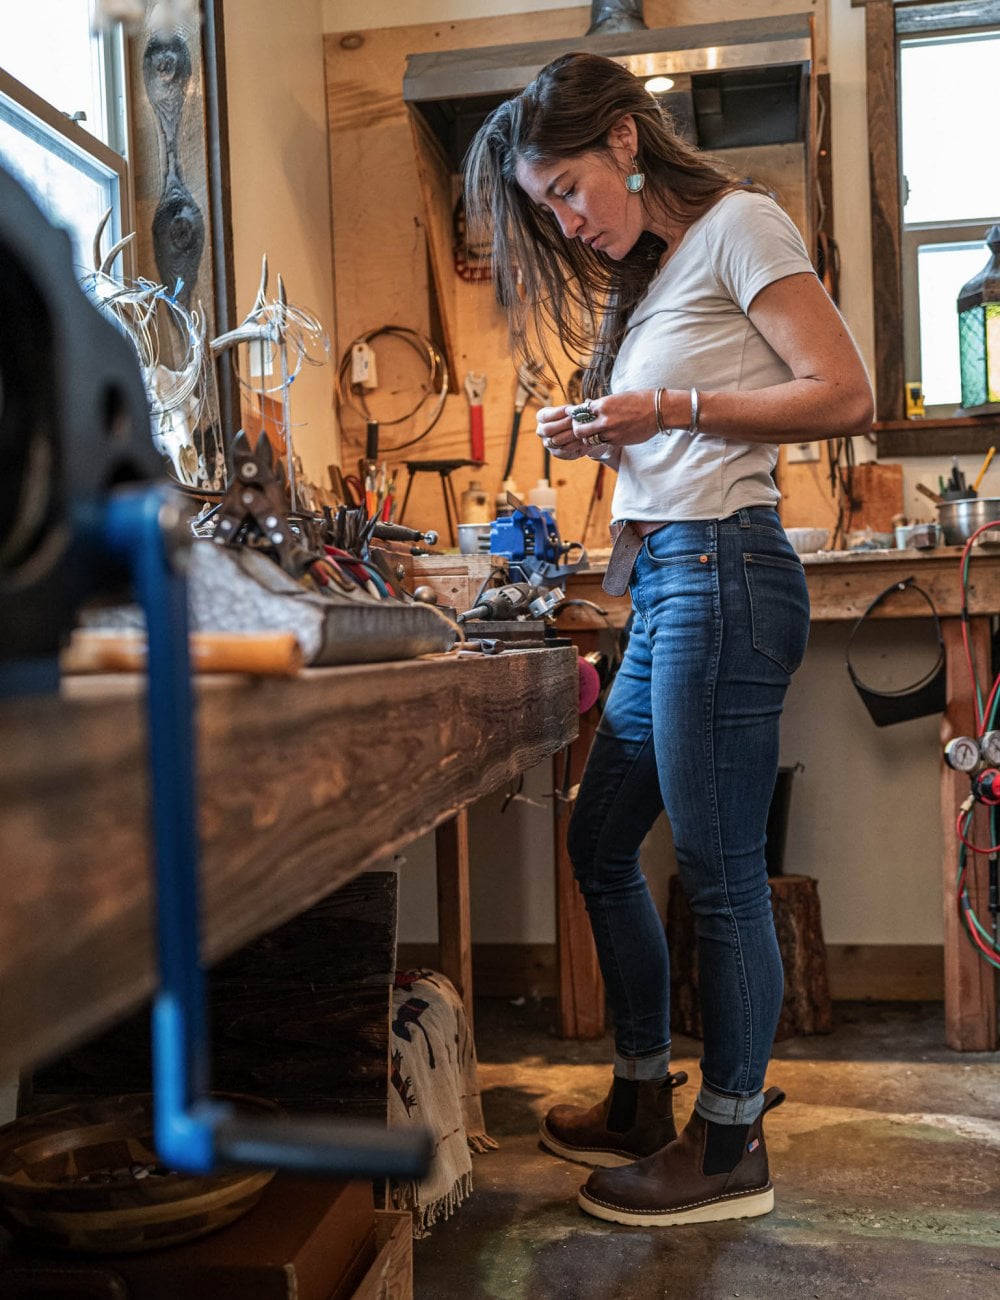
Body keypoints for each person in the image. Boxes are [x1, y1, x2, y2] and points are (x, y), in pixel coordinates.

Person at [464, 51, 873, 1229]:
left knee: (718, 870)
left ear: (626, 144)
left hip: (726, 578)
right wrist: (611, 431)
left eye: (570, 192)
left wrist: (668, 408)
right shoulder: (654, 275)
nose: (569, 221)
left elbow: (840, 391)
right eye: (550, 207)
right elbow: (684, 426)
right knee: (600, 841)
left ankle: (731, 1139)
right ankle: (644, 1097)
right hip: (669, 587)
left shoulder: (743, 225)